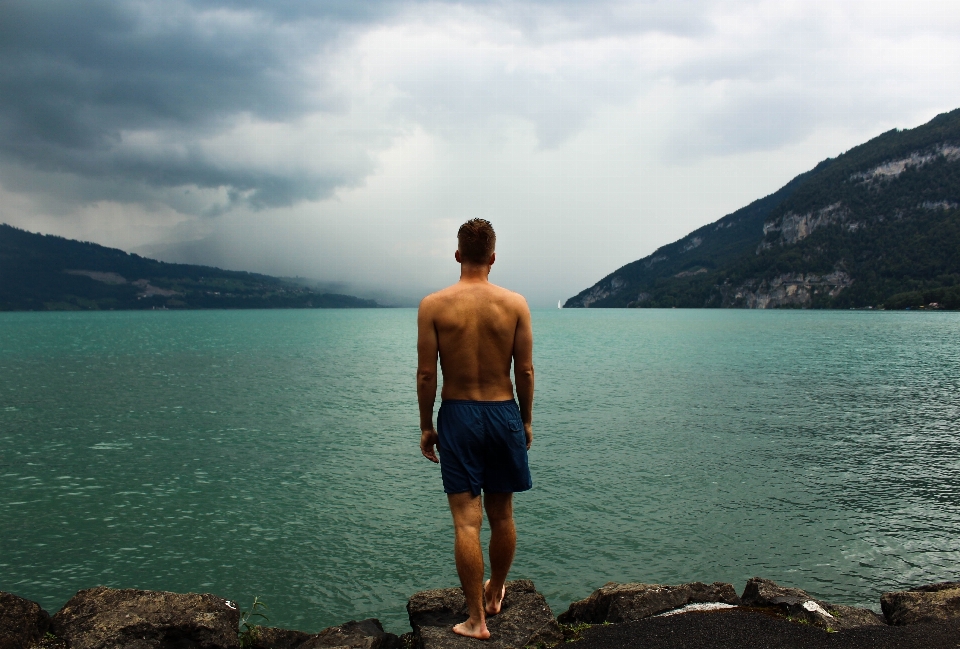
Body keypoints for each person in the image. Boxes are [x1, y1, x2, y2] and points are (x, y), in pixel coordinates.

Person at [417, 218, 534, 640]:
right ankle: (496, 592)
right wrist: (525, 420)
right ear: (493, 257)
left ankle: (475, 621)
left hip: (459, 415)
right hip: (503, 411)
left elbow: (427, 375)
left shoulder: (434, 304)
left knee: (468, 523)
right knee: (502, 515)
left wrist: (426, 425)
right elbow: (524, 368)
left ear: (457, 255)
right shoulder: (515, 304)